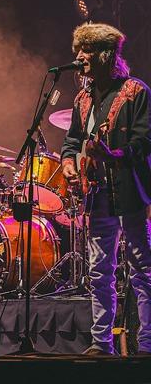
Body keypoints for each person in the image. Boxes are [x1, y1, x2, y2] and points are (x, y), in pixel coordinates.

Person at [61, 22, 151, 355]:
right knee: (99, 272)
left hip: (131, 193)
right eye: (77, 51)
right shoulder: (82, 99)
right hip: (96, 197)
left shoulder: (135, 92)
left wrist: (112, 155)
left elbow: (144, 142)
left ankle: (147, 344)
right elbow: (71, 140)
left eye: (85, 51)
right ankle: (101, 343)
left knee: (142, 268)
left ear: (105, 54)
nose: (79, 57)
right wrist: (68, 163)